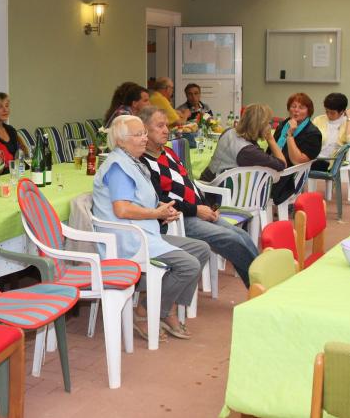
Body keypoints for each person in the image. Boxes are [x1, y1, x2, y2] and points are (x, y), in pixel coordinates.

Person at [92, 115, 209, 340]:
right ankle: (146, 312)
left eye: (144, 133)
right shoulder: (118, 167)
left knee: (201, 250)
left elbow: (139, 200)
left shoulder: (133, 162)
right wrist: (156, 214)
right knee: (188, 265)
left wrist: (162, 209)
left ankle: (163, 308)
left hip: (145, 234)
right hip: (128, 240)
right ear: (121, 141)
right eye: (138, 135)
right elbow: (122, 209)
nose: (145, 138)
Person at [138, 107, 257, 287]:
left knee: (242, 235)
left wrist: (209, 207)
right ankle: (259, 285)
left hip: (197, 210)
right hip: (179, 218)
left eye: (166, 125)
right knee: (231, 239)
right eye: (160, 126)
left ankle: (261, 281)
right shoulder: (144, 163)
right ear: (145, 130)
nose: (166, 130)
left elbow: (189, 184)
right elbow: (159, 200)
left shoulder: (168, 152)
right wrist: (197, 210)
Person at [201, 103, 286, 182]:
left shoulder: (228, 131)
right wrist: (270, 139)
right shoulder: (249, 151)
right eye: (269, 123)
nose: (270, 126)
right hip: (216, 189)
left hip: (206, 178)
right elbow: (282, 164)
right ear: (260, 125)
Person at [269, 93, 322, 205]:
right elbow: (271, 149)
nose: (296, 110)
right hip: (273, 167)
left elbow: (297, 160)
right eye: (293, 106)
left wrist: (290, 135)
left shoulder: (313, 134)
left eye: (301, 108)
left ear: (308, 111)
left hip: (289, 175)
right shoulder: (283, 124)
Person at [311, 93, 350, 172]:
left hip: (333, 161)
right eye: (327, 111)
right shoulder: (318, 120)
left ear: (342, 111)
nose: (328, 115)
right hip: (315, 158)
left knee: (301, 167)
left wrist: (349, 118)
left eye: (332, 113)